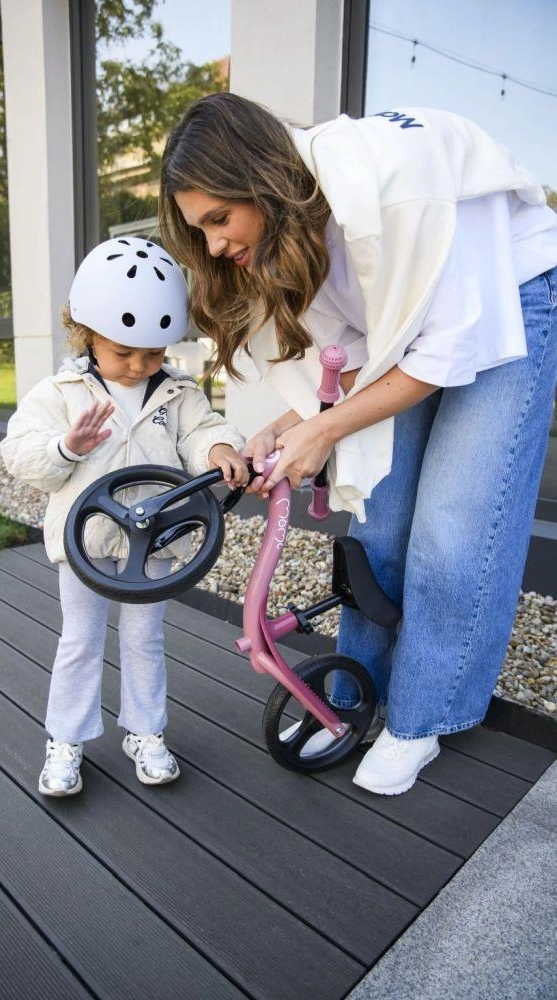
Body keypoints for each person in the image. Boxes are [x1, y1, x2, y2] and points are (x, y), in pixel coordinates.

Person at [158, 92, 557, 795]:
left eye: (219, 219)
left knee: (454, 528)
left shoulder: (389, 194)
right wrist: (286, 424)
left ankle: (422, 718)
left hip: (511, 289)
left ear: (260, 177)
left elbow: (441, 350)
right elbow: (350, 360)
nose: (214, 246)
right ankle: (350, 700)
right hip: (416, 326)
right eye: (202, 230)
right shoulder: (297, 228)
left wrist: (323, 429)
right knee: (380, 518)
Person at [0, 236, 248, 796]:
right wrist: (66, 447)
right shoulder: (62, 392)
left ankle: (145, 731)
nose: (139, 366)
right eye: (123, 353)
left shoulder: (177, 393)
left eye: (154, 354)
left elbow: (202, 432)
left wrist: (218, 449)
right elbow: (19, 452)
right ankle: (66, 740)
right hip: (86, 546)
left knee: (144, 640)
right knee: (80, 642)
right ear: (86, 332)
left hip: (153, 544)